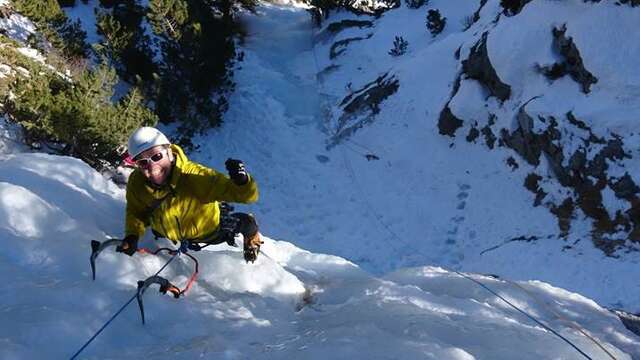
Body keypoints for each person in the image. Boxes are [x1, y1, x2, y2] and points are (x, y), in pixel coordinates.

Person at [116, 127, 263, 263]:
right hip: (166, 234)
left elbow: (247, 196)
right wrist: (132, 234)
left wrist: (242, 181)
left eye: (157, 156)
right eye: (142, 162)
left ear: (169, 152)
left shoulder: (196, 176)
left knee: (244, 223)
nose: (152, 166)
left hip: (208, 232)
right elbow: (136, 211)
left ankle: (251, 238)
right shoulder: (137, 182)